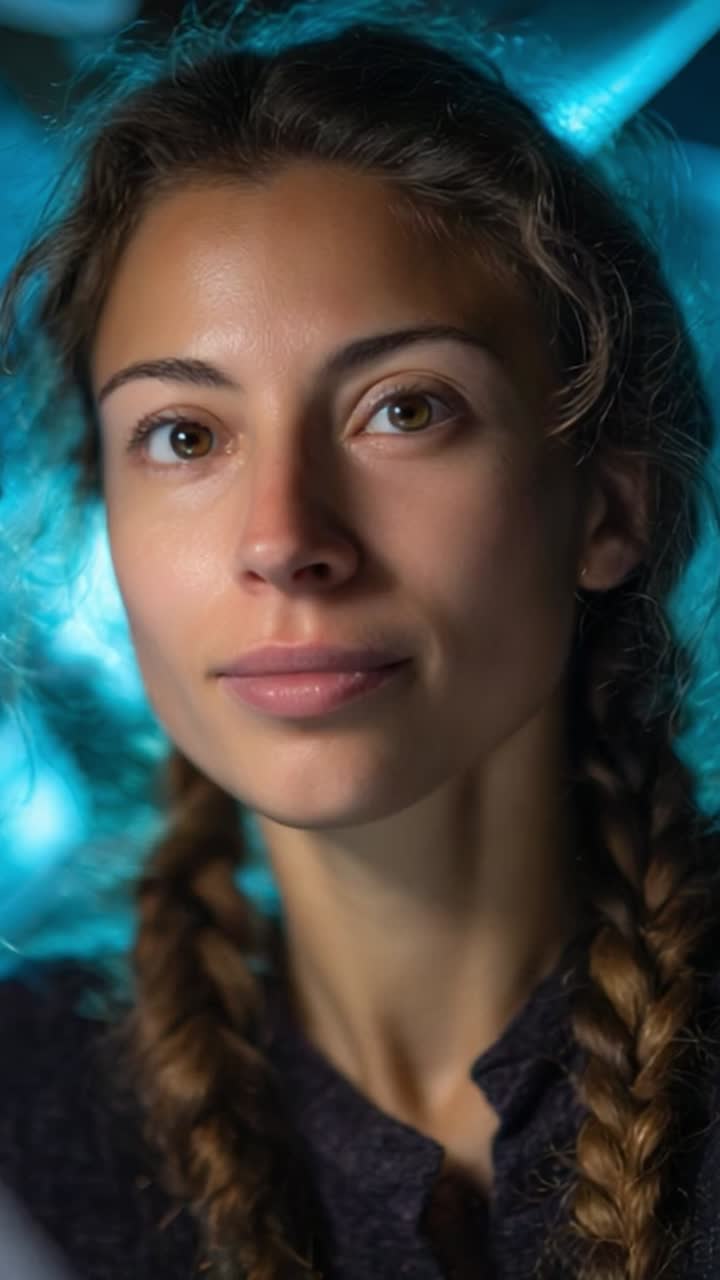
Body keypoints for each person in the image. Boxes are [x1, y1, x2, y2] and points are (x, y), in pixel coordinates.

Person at [0, 4, 719, 1279]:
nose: (284, 538)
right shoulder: (25, 1134)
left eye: (404, 408)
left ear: (608, 508)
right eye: (184, 434)